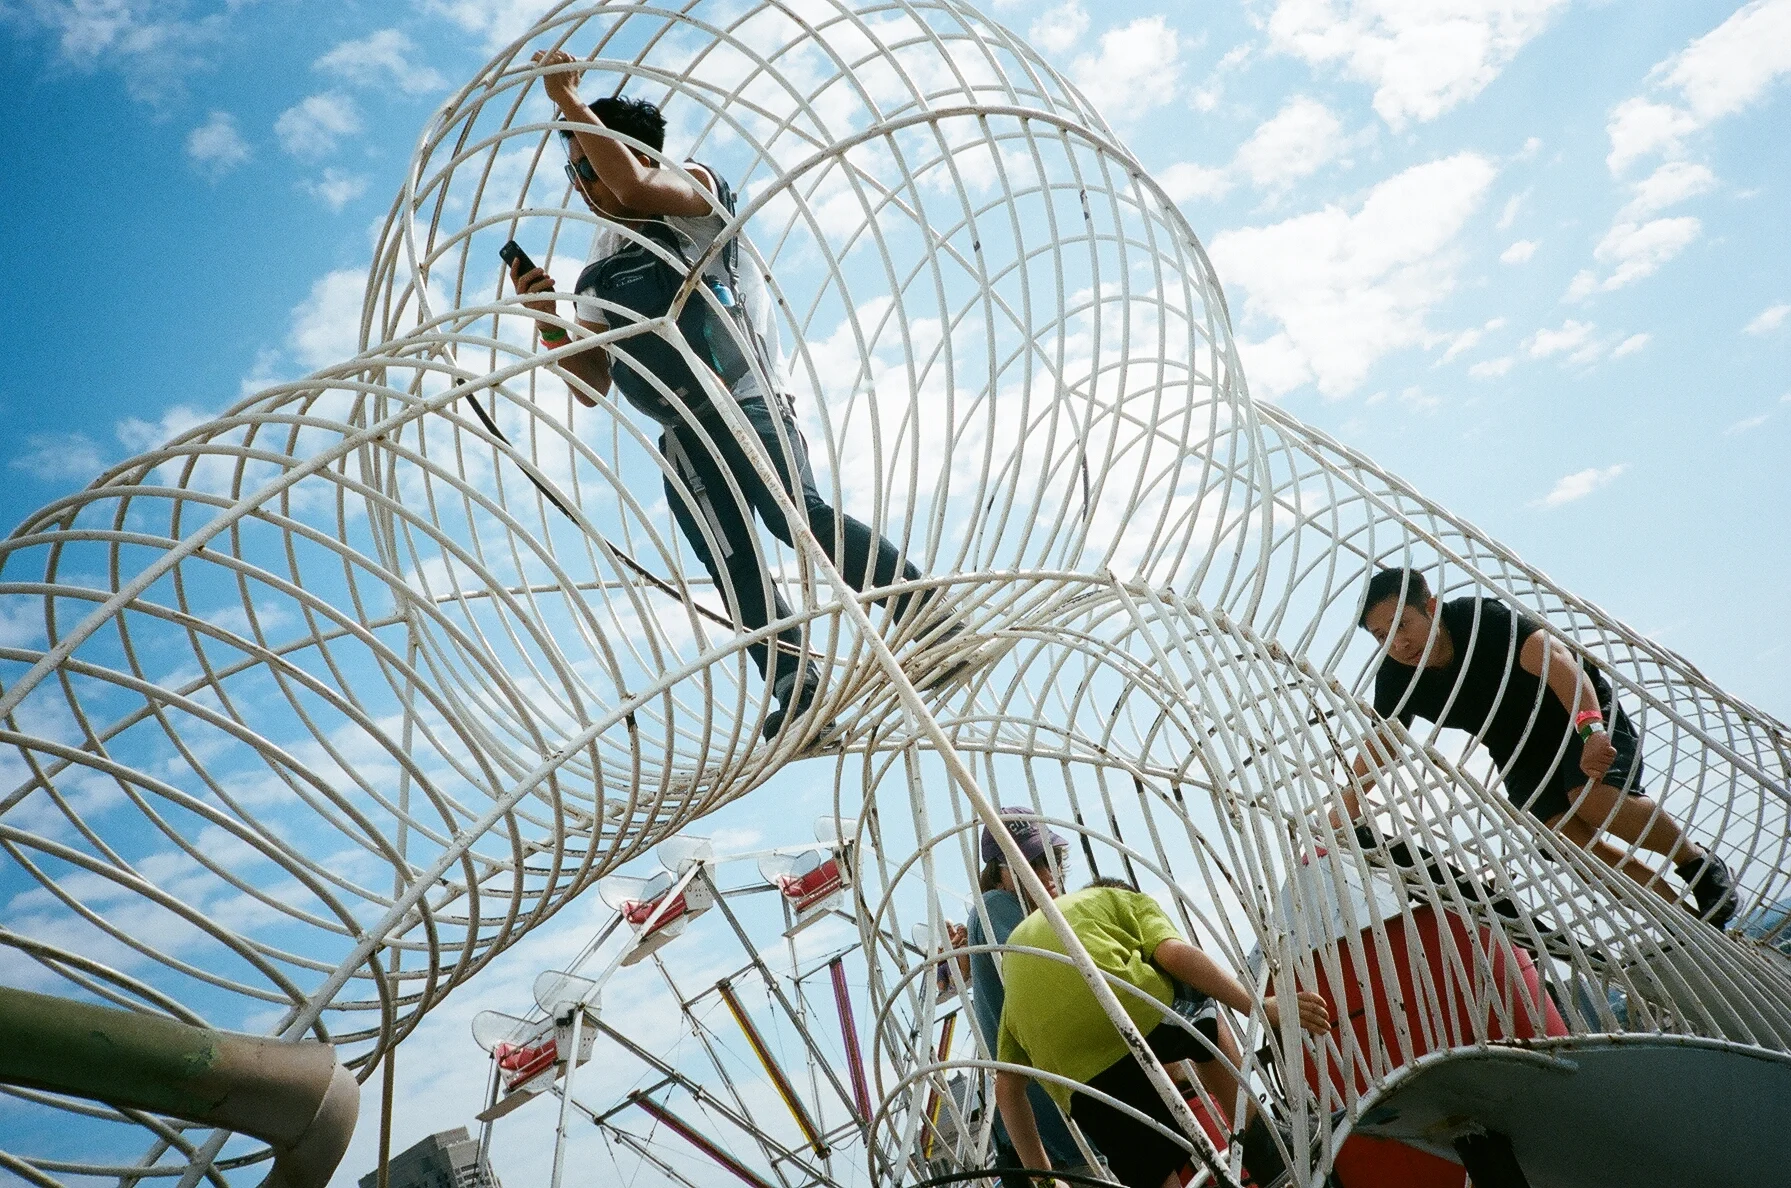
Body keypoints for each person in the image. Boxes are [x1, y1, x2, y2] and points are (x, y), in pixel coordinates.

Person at [509, 49, 955, 738]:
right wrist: (547, 318)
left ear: (628, 152)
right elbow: (590, 385)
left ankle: (927, 617)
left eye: (589, 165)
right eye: (573, 173)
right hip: (681, 431)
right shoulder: (595, 269)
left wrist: (571, 104)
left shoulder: (693, 192)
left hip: (746, 400)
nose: (582, 185)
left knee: (796, 518)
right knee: (730, 560)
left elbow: (633, 190)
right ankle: (798, 691)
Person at [1344, 567, 1736, 926]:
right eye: (1382, 636)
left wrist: (1591, 733)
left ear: (1430, 606)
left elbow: (1561, 663)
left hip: (1572, 715)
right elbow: (1383, 740)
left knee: (1593, 798)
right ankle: (1684, 920)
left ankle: (1696, 861)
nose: (1398, 642)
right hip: (1519, 750)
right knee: (1565, 841)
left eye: (1402, 624)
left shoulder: (1481, 620)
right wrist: (1345, 805)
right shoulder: (1397, 677)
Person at [992, 869, 1331, 1188]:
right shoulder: (1119, 899)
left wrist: (1045, 1181)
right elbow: (1174, 955)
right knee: (1198, 997)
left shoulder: (1021, 957)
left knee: (1144, 1163)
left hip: (1079, 1079)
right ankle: (1264, 1146)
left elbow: (1006, 1088)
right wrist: (1260, 1007)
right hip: (1128, 1015)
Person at [956, 809, 1098, 1186]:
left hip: (1054, 1125)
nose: (1047, 874)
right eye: (1030, 863)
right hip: (1053, 1131)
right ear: (1001, 871)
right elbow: (1045, 979)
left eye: (1049, 859)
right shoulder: (997, 908)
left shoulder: (1029, 917)